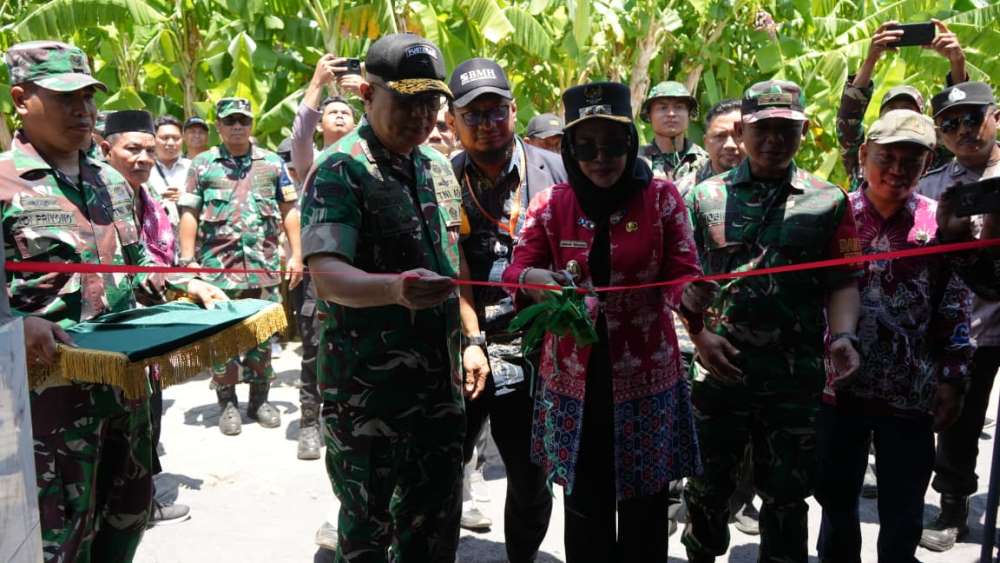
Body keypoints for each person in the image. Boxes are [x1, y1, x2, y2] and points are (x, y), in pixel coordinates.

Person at [1, 40, 224, 562]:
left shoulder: (110, 182)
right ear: (20, 98)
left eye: (88, 97)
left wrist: (178, 281)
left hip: (126, 390)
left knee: (125, 517)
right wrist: (16, 322)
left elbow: (135, 259)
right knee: (54, 540)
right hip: (48, 401)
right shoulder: (5, 184)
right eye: (64, 97)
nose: (83, 110)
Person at [503, 81, 710, 562]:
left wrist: (692, 294)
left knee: (644, 512)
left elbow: (683, 273)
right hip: (575, 381)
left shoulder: (660, 199)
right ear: (570, 149)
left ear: (630, 141)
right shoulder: (551, 204)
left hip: (646, 378)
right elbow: (514, 272)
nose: (601, 157)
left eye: (613, 143)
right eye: (586, 146)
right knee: (585, 510)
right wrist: (537, 278)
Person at [299, 33, 465, 562]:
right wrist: (395, 289)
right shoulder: (340, 168)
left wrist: (474, 337)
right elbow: (326, 275)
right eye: (407, 101)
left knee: (434, 521)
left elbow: (451, 259)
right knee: (369, 528)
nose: (421, 116)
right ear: (368, 96)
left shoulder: (437, 167)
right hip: (368, 391)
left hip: (439, 383)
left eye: (431, 102)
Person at [682, 80, 863, 563]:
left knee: (787, 497)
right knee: (705, 490)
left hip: (793, 378)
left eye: (788, 129)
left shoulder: (829, 200)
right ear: (742, 130)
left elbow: (844, 280)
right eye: (764, 128)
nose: (775, 140)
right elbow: (679, 284)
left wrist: (843, 336)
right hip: (719, 375)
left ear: (803, 131)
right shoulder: (705, 198)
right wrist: (698, 336)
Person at [815, 109, 973, 562]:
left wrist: (954, 376)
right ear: (864, 155)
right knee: (835, 504)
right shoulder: (831, 215)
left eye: (913, 160)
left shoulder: (935, 222)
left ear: (928, 164)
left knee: (903, 515)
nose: (898, 170)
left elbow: (953, 301)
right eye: (887, 157)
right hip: (837, 391)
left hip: (911, 393)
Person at [445, 57, 565, 557]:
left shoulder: (557, 172)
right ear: (452, 122)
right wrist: (471, 340)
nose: (486, 124)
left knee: (530, 471)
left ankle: (522, 555)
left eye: (496, 112)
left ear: (514, 111)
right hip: (465, 344)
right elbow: (448, 270)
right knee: (445, 463)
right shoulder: (442, 178)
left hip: (536, 346)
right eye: (472, 115)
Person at [178, 96, 303, 436]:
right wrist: (188, 263)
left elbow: (289, 210)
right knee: (223, 340)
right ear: (218, 126)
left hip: (262, 267)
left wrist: (296, 254)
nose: (237, 126)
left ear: (251, 125)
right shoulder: (203, 165)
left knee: (261, 336)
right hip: (217, 271)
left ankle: (260, 400)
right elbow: (188, 212)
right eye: (230, 121)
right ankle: (227, 402)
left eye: (243, 121)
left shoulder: (272, 164)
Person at [918, 80, 1000, 552]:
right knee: (957, 422)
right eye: (951, 124)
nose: (964, 130)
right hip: (965, 327)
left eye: (973, 117)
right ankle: (953, 509)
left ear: (995, 117)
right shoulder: (933, 187)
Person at [673, 97, 759, 537]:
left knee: (748, 435)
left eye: (737, 133)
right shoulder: (688, 189)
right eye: (719, 136)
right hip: (695, 329)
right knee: (695, 424)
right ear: (704, 141)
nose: (730, 143)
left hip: (755, 332)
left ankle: (741, 500)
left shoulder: (771, 186)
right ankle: (689, 501)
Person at [101, 109, 191, 526]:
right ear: (107, 150)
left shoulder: (148, 202)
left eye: (149, 151)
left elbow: (154, 262)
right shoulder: (99, 198)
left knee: (147, 418)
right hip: (109, 335)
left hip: (147, 330)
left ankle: (142, 500)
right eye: (132, 149)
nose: (142, 159)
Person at [837, 19, 967, 190]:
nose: (900, 115)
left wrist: (957, 62)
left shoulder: (934, 157)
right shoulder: (864, 156)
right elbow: (848, 119)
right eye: (892, 110)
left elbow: (958, 118)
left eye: (908, 110)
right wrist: (871, 58)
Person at [291, 54, 364, 176]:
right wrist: (317, 82)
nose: (339, 115)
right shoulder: (311, 161)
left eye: (345, 113)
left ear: (355, 127)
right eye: (333, 112)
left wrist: (365, 91)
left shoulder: (365, 159)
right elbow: (301, 136)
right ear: (318, 125)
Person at [639, 80, 709, 182]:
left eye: (679, 107)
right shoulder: (636, 160)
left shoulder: (705, 161)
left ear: (689, 114)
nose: (671, 114)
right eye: (663, 108)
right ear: (649, 115)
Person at [675, 99, 744, 196]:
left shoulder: (770, 187)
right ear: (706, 142)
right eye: (720, 136)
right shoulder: (681, 191)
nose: (730, 145)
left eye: (739, 135)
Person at [147, 114, 189, 226]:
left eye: (176, 138)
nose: (170, 143)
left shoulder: (194, 168)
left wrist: (184, 198)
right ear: (153, 138)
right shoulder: (144, 168)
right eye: (165, 138)